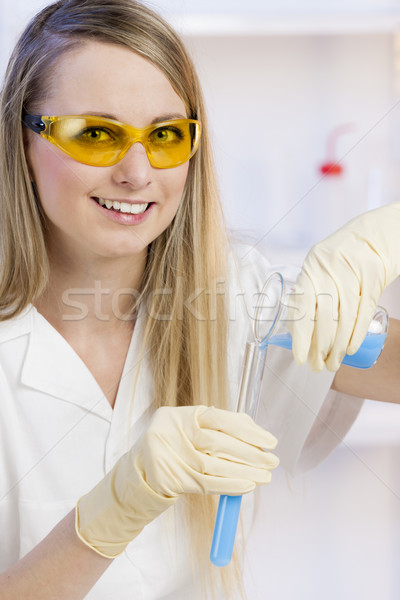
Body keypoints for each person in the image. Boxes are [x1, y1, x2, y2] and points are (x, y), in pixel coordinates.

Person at [0, 1, 398, 599]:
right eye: (96, 134)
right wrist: (103, 520)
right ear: (20, 139)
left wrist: (392, 235)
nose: (137, 172)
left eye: (164, 135)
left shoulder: (236, 298)